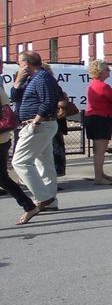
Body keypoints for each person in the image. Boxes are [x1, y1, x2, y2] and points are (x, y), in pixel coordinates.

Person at [11, 51, 62, 212]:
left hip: (39, 125)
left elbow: (48, 102)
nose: (18, 65)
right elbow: (15, 97)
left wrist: (36, 121)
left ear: (26, 63)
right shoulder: (30, 79)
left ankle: (43, 197)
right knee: (44, 163)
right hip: (37, 125)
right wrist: (18, 80)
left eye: (19, 62)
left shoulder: (42, 78)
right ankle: (50, 201)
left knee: (19, 161)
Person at [0, 60, 40, 225]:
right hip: (3, 139)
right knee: (2, 178)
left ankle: (29, 206)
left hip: (1, 140)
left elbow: (6, 110)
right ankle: (29, 206)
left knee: (2, 178)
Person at [85, 59, 112, 186]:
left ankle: (100, 174)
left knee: (98, 150)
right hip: (101, 119)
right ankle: (98, 177)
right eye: (107, 69)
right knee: (100, 150)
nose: (109, 71)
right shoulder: (102, 86)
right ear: (100, 71)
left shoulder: (93, 84)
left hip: (94, 118)